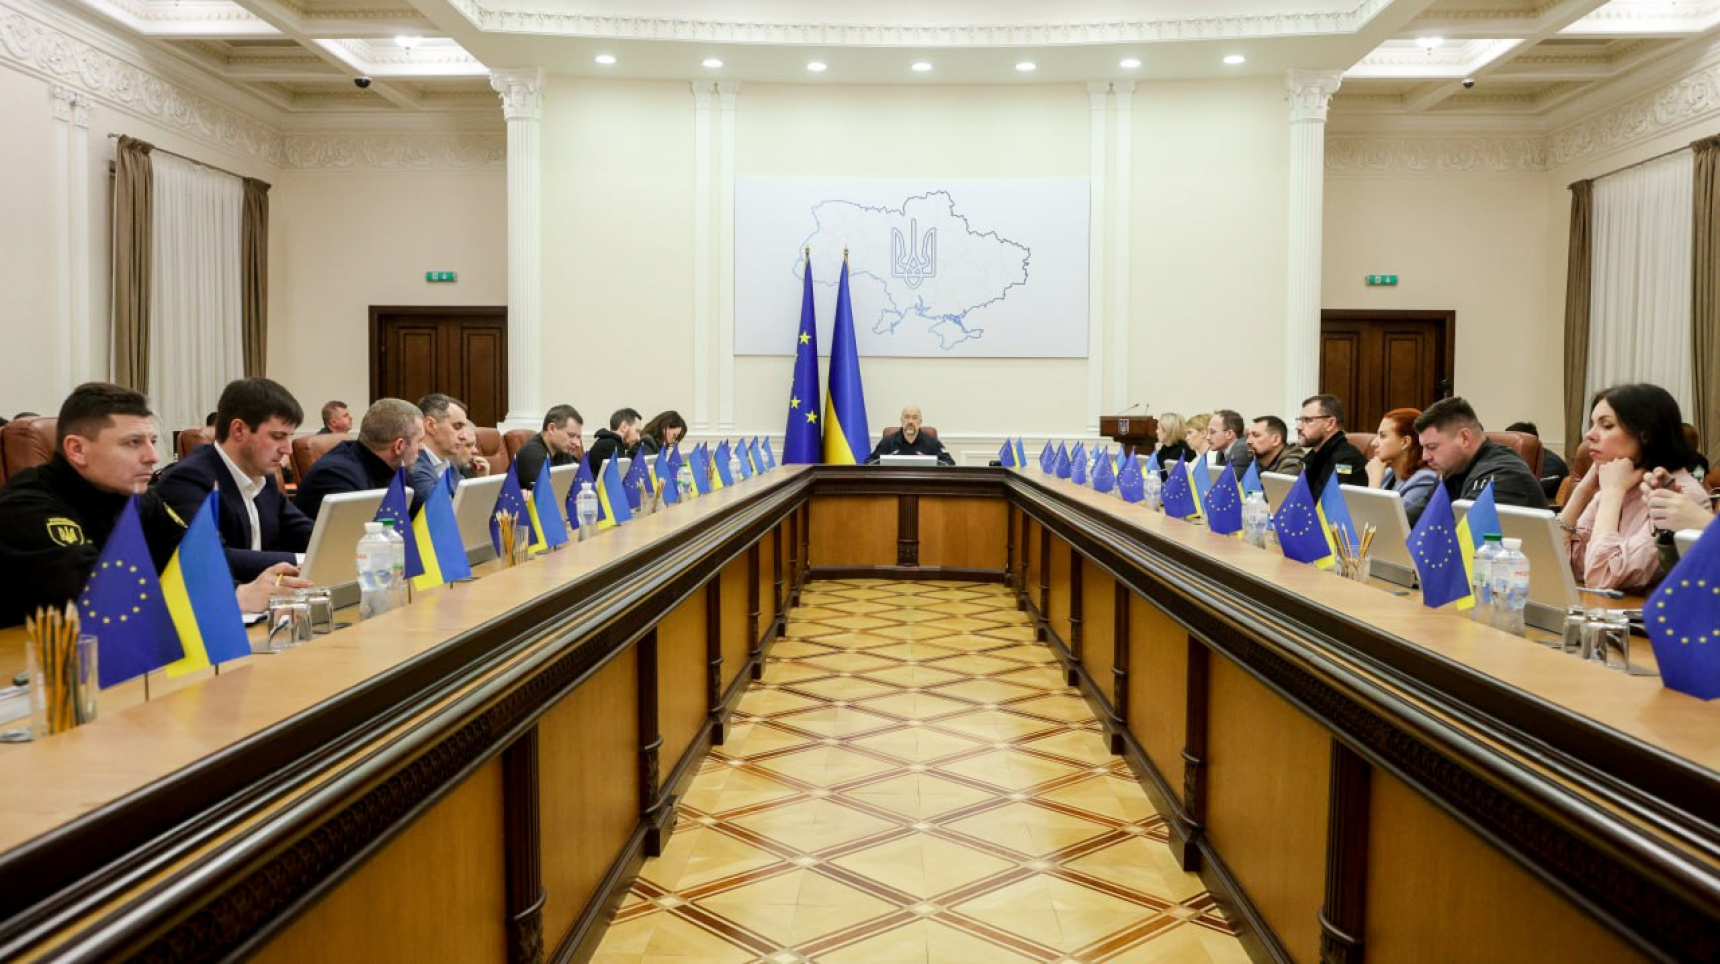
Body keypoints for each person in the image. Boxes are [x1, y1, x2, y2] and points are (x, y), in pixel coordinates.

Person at [0, 383, 306, 625]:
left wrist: (237, 590)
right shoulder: (27, 506)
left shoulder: (137, 497)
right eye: (133, 443)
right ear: (77, 450)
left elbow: (201, 558)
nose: (153, 457)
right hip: (30, 667)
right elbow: (102, 595)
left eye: (153, 441)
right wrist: (231, 599)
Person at [155, 378, 314, 582]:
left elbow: (303, 531)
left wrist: (342, 545)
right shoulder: (188, 479)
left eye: (289, 437)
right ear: (239, 430)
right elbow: (209, 557)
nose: (287, 449)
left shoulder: (263, 478)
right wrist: (302, 560)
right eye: (277, 437)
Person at [1558, 384, 1708, 591]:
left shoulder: (1678, 495)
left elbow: (1601, 577)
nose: (1589, 435)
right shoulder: (1619, 480)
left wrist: (1612, 493)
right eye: (1592, 424)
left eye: (1606, 425)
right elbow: (1560, 563)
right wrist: (1582, 492)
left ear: (1645, 434)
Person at [294, 398, 423, 520]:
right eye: (419, 441)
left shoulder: (396, 468)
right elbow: (355, 533)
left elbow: (422, 518)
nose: (422, 448)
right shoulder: (334, 475)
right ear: (399, 446)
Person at [1413, 397, 1548, 509]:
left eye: (1432, 447)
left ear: (1464, 438)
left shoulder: (1504, 474)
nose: (1425, 456)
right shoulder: (1452, 471)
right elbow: (1415, 519)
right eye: (1423, 448)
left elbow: (1468, 529)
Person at [1364, 408, 1439, 526]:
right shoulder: (1387, 473)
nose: (1374, 443)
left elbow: (1390, 525)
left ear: (1405, 442)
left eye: (1382, 436)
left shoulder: (1424, 479)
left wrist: (1374, 483)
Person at [411, 393, 489, 505]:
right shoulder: (415, 467)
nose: (463, 436)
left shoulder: (449, 463)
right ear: (430, 425)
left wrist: (481, 479)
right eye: (457, 426)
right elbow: (445, 511)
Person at [1296, 394, 1367, 496]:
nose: (1298, 427)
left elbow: (1329, 502)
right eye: (1300, 420)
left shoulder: (1346, 461)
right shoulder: (1314, 457)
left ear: (1330, 424)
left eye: (1308, 420)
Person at [514, 404, 583, 489]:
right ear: (552, 429)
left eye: (578, 437)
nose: (578, 443)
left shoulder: (561, 450)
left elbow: (578, 484)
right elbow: (546, 492)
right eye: (571, 435)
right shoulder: (532, 453)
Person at [865, 405, 955, 465]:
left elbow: (950, 463)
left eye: (915, 418)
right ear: (901, 420)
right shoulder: (888, 442)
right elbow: (868, 463)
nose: (910, 421)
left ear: (920, 422)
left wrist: (930, 462)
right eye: (907, 417)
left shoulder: (932, 443)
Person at [1504, 421, 1569, 500]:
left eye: (1512, 443)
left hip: (1543, 505)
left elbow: (1531, 491)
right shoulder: (1514, 458)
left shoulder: (1552, 464)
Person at [588, 407, 642, 480]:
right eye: (637, 431)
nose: (638, 438)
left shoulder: (614, 444)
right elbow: (619, 479)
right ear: (624, 427)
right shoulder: (608, 445)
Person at [1153, 412, 1195, 477]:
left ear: (1168, 430)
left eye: (1158, 428)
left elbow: (1165, 476)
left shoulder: (1182, 450)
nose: (1156, 431)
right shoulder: (1166, 447)